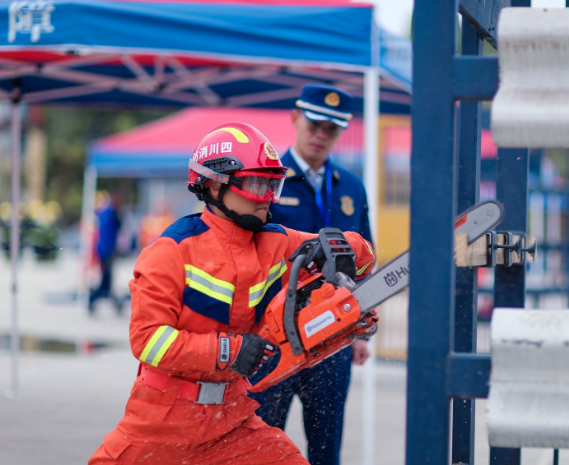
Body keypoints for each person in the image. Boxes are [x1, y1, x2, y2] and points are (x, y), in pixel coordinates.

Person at [88, 121, 375, 465]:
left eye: (273, 185)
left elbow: (363, 261)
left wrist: (339, 246)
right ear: (213, 185)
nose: (268, 197)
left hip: (232, 422)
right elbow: (149, 341)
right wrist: (228, 351)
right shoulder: (171, 251)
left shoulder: (276, 240)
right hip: (160, 423)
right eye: (257, 184)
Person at [249, 84, 373, 465]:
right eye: (315, 124)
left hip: (333, 335)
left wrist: (362, 327)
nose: (321, 134)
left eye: (331, 129)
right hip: (274, 335)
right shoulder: (268, 180)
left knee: (326, 445)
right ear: (295, 119)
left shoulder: (351, 187)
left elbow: (364, 259)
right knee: (261, 443)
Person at [89, 191, 122, 314]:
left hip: (102, 250)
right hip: (107, 251)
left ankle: (114, 303)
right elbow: (119, 225)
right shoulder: (111, 213)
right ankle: (93, 299)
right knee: (106, 280)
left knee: (107, 280)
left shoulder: (101, 213)